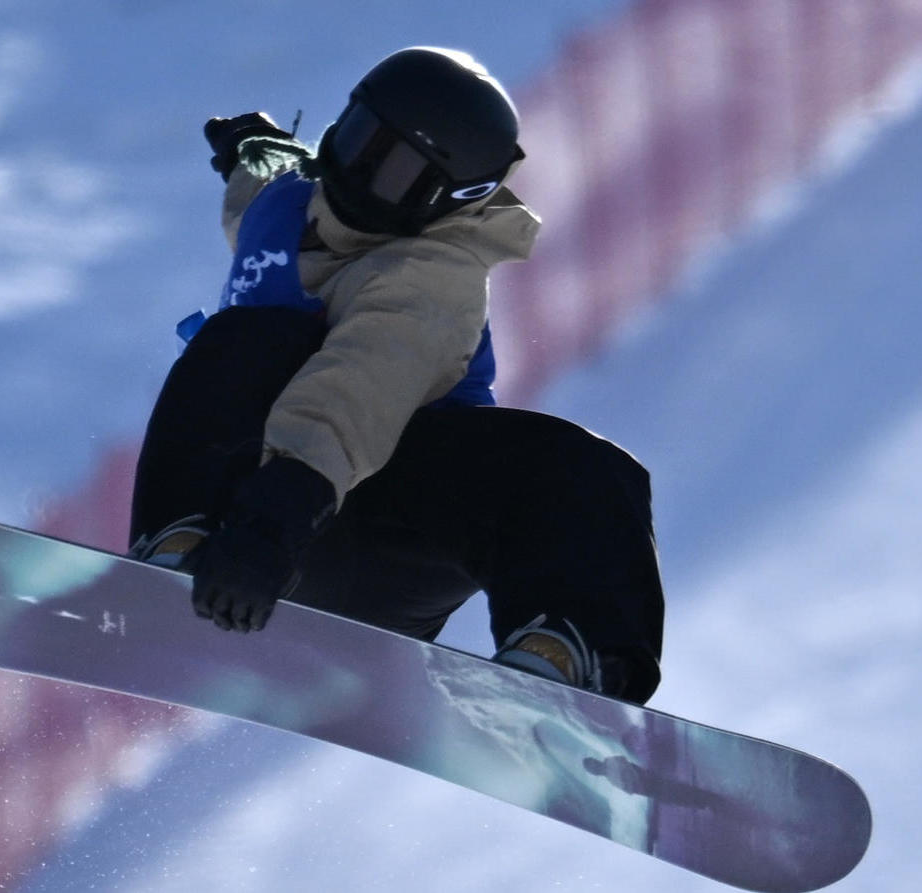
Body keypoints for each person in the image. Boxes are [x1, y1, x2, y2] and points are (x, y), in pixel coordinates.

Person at [129, 47, 664, 705]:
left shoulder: (434, 274)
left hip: (359, 537)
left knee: (581, 467)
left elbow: (358, 390)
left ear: (448, 200)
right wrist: (254, 151)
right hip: (242, 537)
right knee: (242, 342)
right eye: (359, 141)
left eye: (397, 173)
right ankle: (180, 546)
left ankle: (569, 652)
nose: (359, 175)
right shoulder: (288, 205)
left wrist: (272, 523)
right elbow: (266, 186)